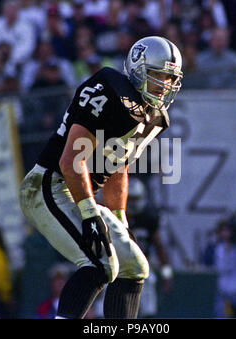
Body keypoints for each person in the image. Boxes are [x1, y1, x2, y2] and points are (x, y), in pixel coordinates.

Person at [19, 35, 183, 319]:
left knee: (134, 267)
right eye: (158, 75)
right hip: (49, 185)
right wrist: (89, 214)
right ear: (138, 69)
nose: (164, 85)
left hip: (79, 192)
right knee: (100, 265)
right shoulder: (109, 90)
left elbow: (117, 165)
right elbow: (70, 161)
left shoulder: (153, 116)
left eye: (169, 79)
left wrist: (119, 219)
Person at [126, 176, 173, 318]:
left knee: (149, 292)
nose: (133, 203)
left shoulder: (148, 217)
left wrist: (166, 274)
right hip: (119, 265)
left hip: (142, 266)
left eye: (136, 198)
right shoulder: (116, 214)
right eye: (130, 199)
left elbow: (159, 246)